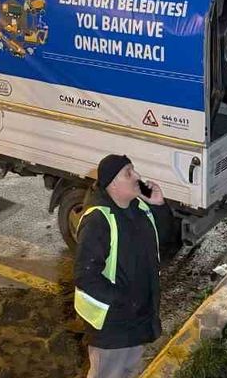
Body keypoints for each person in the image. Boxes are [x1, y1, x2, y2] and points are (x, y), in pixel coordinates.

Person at [74, 154, 174, 378]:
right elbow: (86, 276)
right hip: (113, 325)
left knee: (128, 371)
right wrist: (124, 301)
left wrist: (158, 205)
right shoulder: (98, 220)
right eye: (128, 172)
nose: (137, 176)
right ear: (112, 184)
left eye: (134, 170)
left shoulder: (140, 208)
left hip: (137, 318)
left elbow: (167, 240)